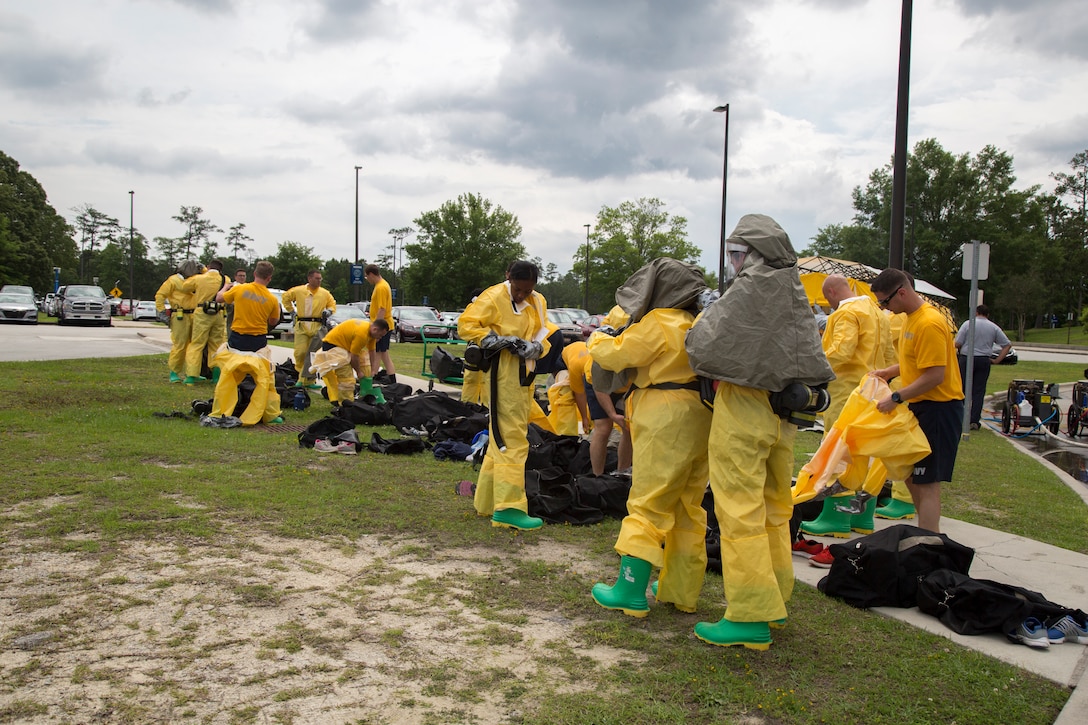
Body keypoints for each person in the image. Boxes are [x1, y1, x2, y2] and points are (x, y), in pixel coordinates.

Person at [686, 214, 833, 650]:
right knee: (774, 509)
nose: (733, 262)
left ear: (750, 253)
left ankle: (750, 613)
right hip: (783, 417)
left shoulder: (750, 288)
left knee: (738, 510)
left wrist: (705, 316)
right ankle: (775, 600)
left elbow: (702, 346)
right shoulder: (792, 289)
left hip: (745, 409)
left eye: (736, 254)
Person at [588, 258, 712, 617]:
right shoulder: (698, 321)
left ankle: (629, 589)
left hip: (664, 412)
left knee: (648, 500)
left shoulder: (661, 321)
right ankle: (680, 590)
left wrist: (598, 336)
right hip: (700, 412)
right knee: (689, 505)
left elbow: (616, 354)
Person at [800, 274, 896, 538]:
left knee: (838, 452)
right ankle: (862, 516)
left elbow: (841, 350)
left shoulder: (845, 313)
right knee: (864, 452)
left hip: (847, 392)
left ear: (831, 293)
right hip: (874, 391)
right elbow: (890, 356)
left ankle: (835, 517)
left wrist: (811, 371)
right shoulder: (878, 313)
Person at [457, 260, 551, 531]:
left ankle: (486, 501)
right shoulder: (494, 297)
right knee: (511, 441)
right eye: (519, 289)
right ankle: (509, 508)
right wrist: (492, 340)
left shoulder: (538, 301)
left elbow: (545, 332)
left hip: (524, 378)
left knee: (502, 438)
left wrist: (536, 347)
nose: (523, 295)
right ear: (510, 279)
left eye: (528, 290)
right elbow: (467, 324)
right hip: (502, 376)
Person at [870, 268, 964, 534]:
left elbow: (935, 375)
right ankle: (925, 537)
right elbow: (916, 361)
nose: (885, 309)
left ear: (902, 292)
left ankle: (929, 542)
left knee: (927, 481)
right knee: (912, 476)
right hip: (922, 407)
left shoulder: (929, 323)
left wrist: (897, 397)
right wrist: (890, 372)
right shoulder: (911, 318)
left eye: (885, 302)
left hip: (939, 409)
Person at [206, 260, 283, 426]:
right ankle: (270, 414)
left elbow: (219, 298)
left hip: (237, 342)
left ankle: (221, 412)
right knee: (266, 381)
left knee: (229, 377)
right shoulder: (271, 299)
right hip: (258, 344)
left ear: (254, 274)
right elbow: (274, 319)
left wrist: (227, 286)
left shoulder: (240, 289)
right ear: (269, 278)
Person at [585, 305, 633, 476]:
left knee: (629, 427)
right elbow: (599, 386)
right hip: (598, 385)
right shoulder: (602, 353)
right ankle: (597, 475)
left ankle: (622, 472)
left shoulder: (638, 349)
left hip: (626, 387)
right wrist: (612, 414)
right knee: (603, 428)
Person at [955, 304, 1011, 430]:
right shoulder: (993, 327)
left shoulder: (967, 324)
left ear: (976, 312)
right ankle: (974, 420)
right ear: (988, 314)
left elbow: (957, 343)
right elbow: (1007, 345)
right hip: (983, 360)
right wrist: (997, 360)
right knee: (979, 391)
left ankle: (960, 417)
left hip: (967, 358)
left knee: (962, 388)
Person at [310, 317, 390, 405]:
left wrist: (373, 370)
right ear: (375, 329)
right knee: (347, 379)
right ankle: (346, 404)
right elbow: (354, 356)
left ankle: (365, 393)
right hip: (333, 347)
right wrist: (359, 372)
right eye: (380, 335)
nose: (380, 338)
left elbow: (372, 351)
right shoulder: (362, 334)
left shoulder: (371, 333)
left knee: (365, 361)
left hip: (343, 347)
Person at [281, 269, 336, 390]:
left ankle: (307, 379)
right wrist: (291, 310)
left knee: (313, 354)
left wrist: (329, 311)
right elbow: (285, 297)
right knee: (300, 352)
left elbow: (332, 303)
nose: (319, 281)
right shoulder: (299, 290)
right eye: (317, 278)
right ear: (309, 278)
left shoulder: (324, 293)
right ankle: (301, 375)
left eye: (320, 278)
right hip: (302, 324)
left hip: (317, 325)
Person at [181, 260, 229, 385]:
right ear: (220, 270)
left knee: (197, 344)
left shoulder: (199, 278)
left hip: (203, 313)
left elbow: (184, 286)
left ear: (208, 267)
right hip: (219, 313)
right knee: (216, 345)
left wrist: (202, 272)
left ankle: (191, 376)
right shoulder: (225, 280)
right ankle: (216, 375)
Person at [154, 259, 201, 384]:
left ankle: (192, 372)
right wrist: (162, 312)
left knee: (194, 345)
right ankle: (174, 372)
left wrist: (203, 269)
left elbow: (210, 275)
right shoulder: (173, 280)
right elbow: (160, 295)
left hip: (194, 315)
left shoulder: (195, 280)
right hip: (180, 315)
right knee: (180, 345)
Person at [365, 264, 396, 381]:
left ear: (371, 274)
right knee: (382, 352)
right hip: (385, 324)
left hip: (383, 325)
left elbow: (382, 308)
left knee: (378, 352)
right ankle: (390, 377)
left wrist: (377, 328)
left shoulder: (381, 287)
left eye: (367, 277)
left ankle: (373, 375)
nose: (367, 280)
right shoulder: (382, 285)